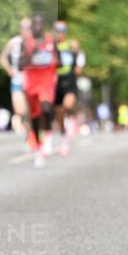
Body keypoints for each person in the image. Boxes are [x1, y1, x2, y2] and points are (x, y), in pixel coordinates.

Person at [18, 14, 58, 168]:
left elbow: (59, 60)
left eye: (39, 24)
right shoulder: (26, 43)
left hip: (46, 82)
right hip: (32, 84)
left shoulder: (50, 41)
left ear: (43, 26)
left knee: (46, 109)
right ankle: (38, 148)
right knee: (34, 117)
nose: (37, 27)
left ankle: (47, 135)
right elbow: (20, 65)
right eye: (34, 24)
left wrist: (54, 62)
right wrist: (30, 54)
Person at [0, 18, 34, 145]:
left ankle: (33, 135)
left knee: (31, 112)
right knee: (20, 111)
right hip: (17, 81)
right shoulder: (14, 42)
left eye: (28, 28)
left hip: (32, 82)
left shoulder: (36, 43)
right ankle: (28, 134)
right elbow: (2, 57)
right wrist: (9, 69)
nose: (26, 30)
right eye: (23, 28)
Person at [53, 21, 86, 155]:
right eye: (57, 31)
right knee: (59, 112)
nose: (59, 34)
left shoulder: (71, 45)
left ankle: (71, 123)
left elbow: (80, 57)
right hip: (56, 82)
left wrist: (79, 65)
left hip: (70, 81)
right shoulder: (51, 46)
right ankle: (63, 134)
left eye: (62, 31)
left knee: (68, 105)